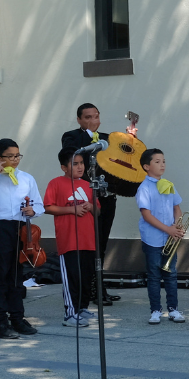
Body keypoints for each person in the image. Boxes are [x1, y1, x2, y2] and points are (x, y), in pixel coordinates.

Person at [60, 103, 133, 305]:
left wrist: (130, 141)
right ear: (79, 120)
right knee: (90, 246)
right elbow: (71, 154)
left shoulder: (107, 138)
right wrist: (90, 136)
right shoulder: (72, 136)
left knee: (101, 245)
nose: (94, 120)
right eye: (88, 117)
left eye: (96, 116)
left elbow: (124, 160)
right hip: (85, 199)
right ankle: (90, 291)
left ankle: (99, 289)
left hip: (106, 197)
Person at [0, 138, 43, 339]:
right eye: (10, 156)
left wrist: (33, 210)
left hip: (21, 227)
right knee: (0, 275)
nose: (15, 160)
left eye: (17, 156)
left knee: (17, 274)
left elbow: (39, 204)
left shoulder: (26, 178)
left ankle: (17, 317)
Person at [46, 147, 100, 328]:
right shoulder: (56, 183)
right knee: (72, 277)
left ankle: (82, 308)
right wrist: (72, 209)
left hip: (88, 240)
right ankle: (70, 313)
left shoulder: (87, 185)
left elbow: (98, 210)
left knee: (86, 276)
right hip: (69, 240)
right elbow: (48, 207)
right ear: (63, 167)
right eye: (75, 164)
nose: (80, 167)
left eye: (82, 163)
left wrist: (91, 207)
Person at [136, 148, 185, 325]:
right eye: (157, 162)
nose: (162, 164)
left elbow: (177, 209)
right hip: (153, 239)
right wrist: (168, 229)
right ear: (146, 166)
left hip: (170, 239)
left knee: (171, 275)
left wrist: (176, 226)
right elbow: (146, 215)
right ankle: (155, 310)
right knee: (154, 276)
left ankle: (173, 309)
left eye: (163, 161)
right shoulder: (144, 188)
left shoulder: (169, 184)